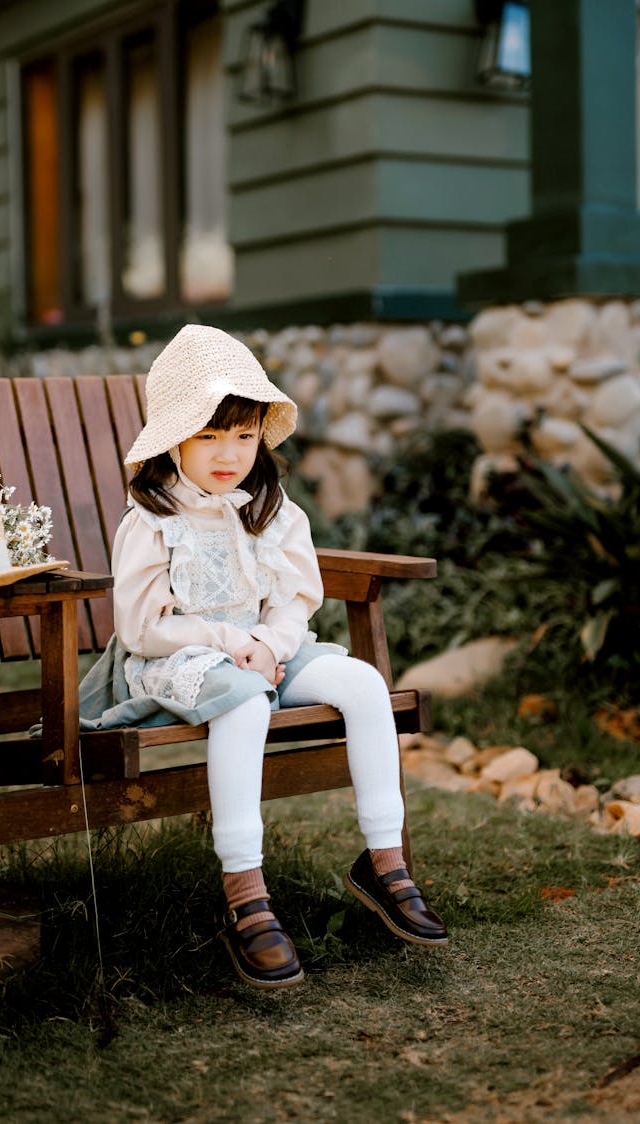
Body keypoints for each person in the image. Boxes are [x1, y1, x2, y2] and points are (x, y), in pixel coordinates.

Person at [102, 324, 447, 990]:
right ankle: (245, 892)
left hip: (270, 654)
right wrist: (236, 646)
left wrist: (268, 643)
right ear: (174, 438)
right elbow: (144, 626)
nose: (229, 453)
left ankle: (385, 862)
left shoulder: (273, 510)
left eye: (244, 434)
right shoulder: (151, 519)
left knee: (365, 684)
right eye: (208, 436)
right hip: (184, 661)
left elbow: (295, 602)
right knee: (244, 703)